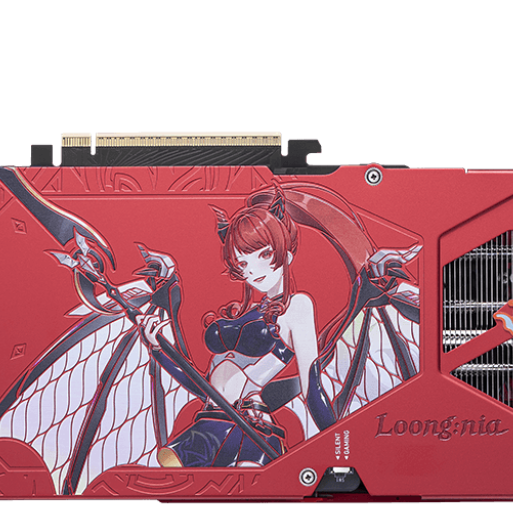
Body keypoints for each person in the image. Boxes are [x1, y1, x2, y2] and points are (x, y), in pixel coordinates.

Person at [137, 184, 420, 469]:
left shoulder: (298, 307)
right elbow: (203, 387)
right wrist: (159, 350)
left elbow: (311, 388)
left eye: (262, 254)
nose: (251, 270)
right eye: (242, 263)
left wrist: (339, 450)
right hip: (206, 427)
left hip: (253, 430)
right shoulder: (244, 311)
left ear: (286, 253)